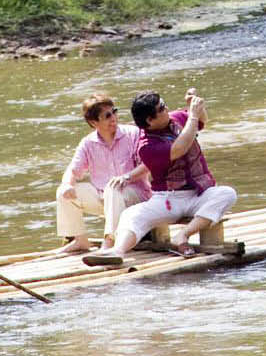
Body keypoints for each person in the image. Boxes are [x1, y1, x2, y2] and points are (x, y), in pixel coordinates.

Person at [83, 89, 237, 265]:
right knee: (130, 215)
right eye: (162, 108)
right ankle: (117, 251)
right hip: (167, 200)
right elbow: (179, 149)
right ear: (150, 120)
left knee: (226, 193)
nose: (167, 109)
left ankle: (183, 235)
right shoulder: (146, 146)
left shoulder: (176, 118)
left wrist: (196, 106)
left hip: (198, 193)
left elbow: (201, 121)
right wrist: (193, 116)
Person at [53, 94, 148, 255]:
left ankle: (109, 241)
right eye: (107, 116)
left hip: (136, 196)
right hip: (104, 198)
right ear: (94, 123)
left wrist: (127, 177)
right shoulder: (88, 143)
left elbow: (148, 165)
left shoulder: (133, 134)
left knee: (112, 188)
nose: (114, 118)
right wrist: (67, 184)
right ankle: (80, 240)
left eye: (114, 112)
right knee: (63, 192)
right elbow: (73, 170)